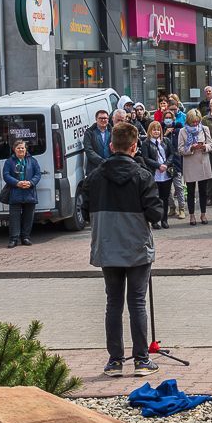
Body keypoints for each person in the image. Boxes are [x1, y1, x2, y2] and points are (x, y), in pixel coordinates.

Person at [82, 121, 164, 377]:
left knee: (113, 303)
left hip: (107, 246)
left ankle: (115, 361)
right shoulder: (142, 175)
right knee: (137, 302)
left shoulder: (95, 177)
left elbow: (84, 209)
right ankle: (141, 360)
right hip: (136, 245)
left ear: (111, 146)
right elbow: (155, 213)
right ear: (134, 146)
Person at [177, 109, 212, 226]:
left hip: (203, 162)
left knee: (203, 191)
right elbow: (180, 149)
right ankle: (192, 215)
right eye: (193, 122)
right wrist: (191, 148)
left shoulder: (204, 129)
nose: (195, 124)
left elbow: (211, 145)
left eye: (197, 121)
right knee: (191, 191)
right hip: (190, 164)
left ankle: (203, 214)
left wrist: (204, 147)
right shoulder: (183, 131)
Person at [3, 139, 41, 248]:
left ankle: (25, 237)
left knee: (28, 217)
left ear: (26, 149)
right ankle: (14, 239)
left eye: (22, 148)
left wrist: (31, 182)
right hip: (15, 192)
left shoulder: (32, 161)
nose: (21, 150)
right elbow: (6, 175)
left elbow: (37, 174)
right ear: (14, 149)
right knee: (14, 217)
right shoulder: (9, 162)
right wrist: (17, 183)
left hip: (29, 193)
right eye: (18, 148)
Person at [139, 121, 175, 228]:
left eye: (158, 130)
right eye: (154, 129)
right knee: (155, 198)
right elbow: (146, 158)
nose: (156, 132)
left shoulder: (166, 141)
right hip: (154, 174)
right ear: (150, 131)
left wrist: (166, 165)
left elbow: (172, 154)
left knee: (165, 198)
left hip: (166, 174)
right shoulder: (146, 143)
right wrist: (158, 166)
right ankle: (154, 221)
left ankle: (164, 220)